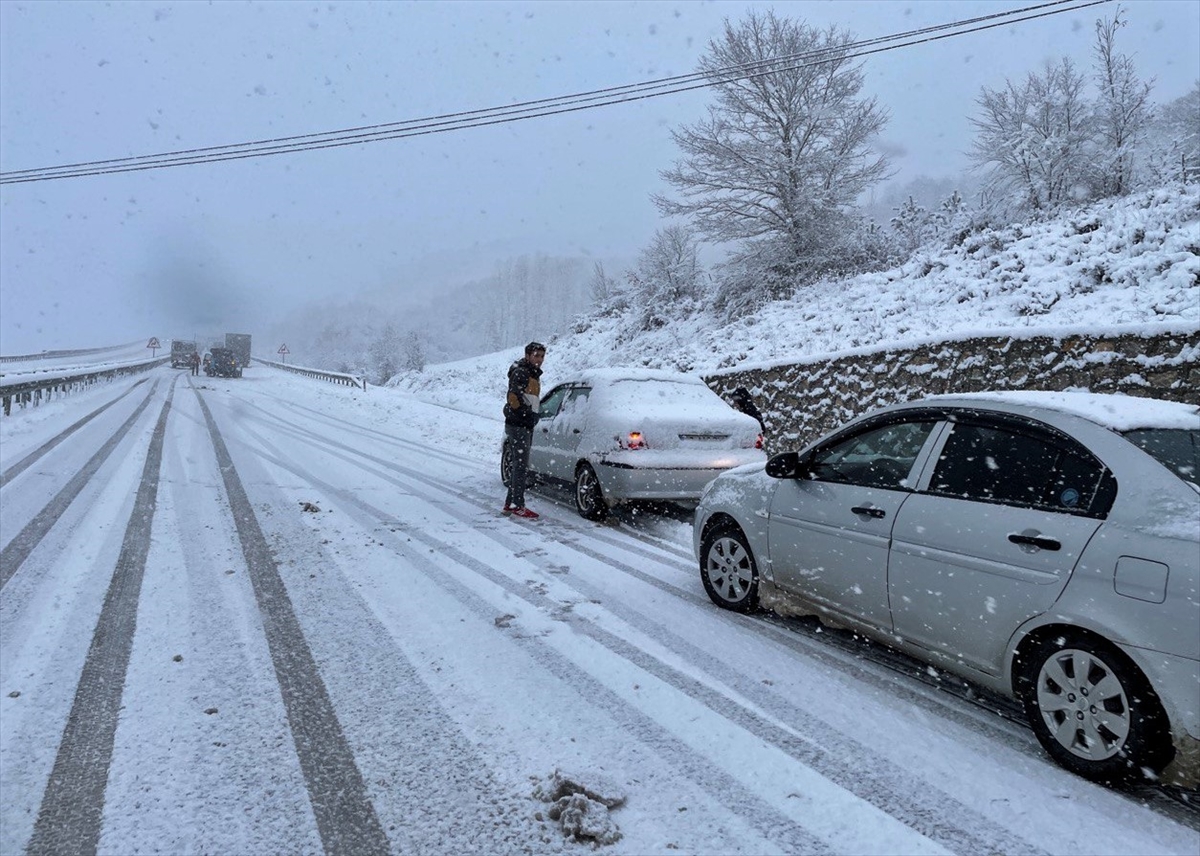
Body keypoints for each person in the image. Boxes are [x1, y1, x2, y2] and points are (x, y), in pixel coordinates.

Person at [503, 341, 546, 519]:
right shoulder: (522, 372)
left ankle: (510, 503)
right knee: (520, 467)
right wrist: (527, 416)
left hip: (522, 424)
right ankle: (517, 505)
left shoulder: (531, 373)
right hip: (519, 425)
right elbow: (513, 397)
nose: (540, 360)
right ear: (528, 355)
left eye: (542, 356)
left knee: (518, 466)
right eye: (536, 355)